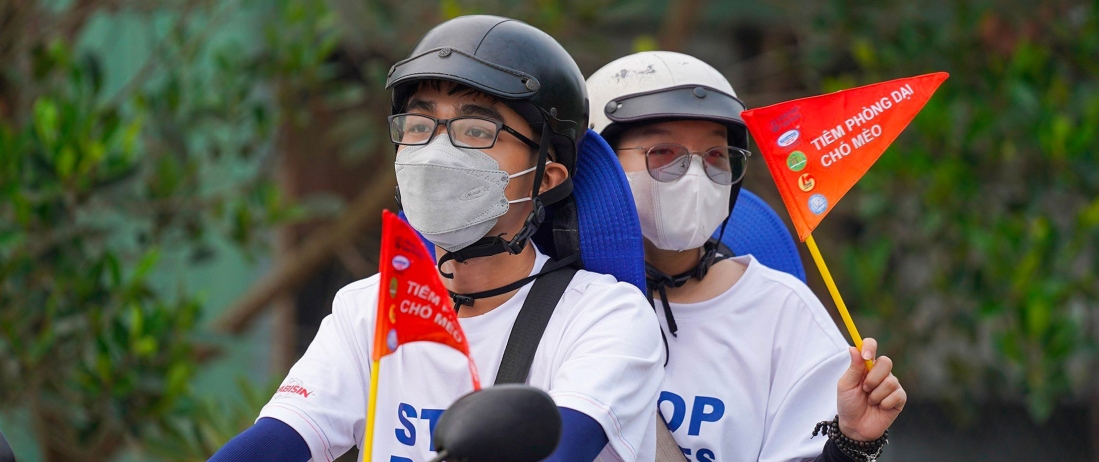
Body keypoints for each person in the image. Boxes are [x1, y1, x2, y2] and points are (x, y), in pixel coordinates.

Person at [211, 16, 664, 462]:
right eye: (419, 126)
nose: (435, 152)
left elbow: (563, 448)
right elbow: (278, 440)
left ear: (545, 177)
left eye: (477, 131)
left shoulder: (605, 318)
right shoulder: (369, 310)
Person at [587, 51, 907, 462]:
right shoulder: (560, 303)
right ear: (601, 165)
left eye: (716, 156)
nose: (695, 176)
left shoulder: (782, 313)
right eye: (663, 152)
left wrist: (850, 442)